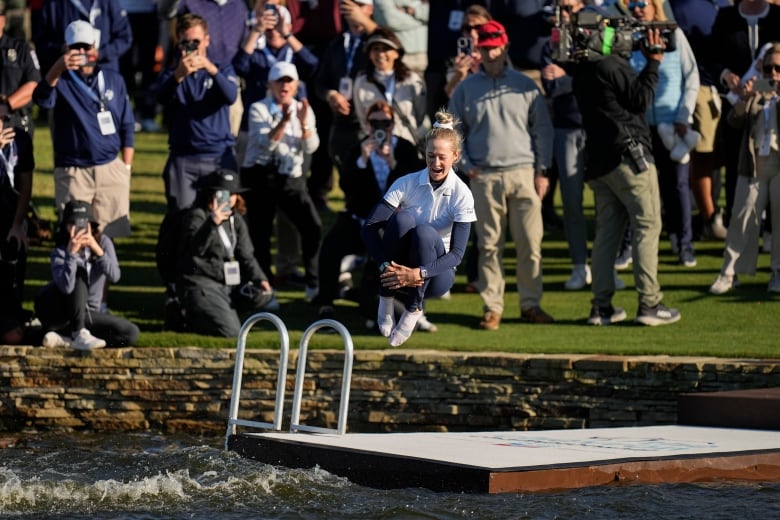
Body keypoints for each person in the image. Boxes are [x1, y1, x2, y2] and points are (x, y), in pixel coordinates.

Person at [448, 20, 555, 331]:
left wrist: (542, 171)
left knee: (530, 244)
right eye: (485, 46)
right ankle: (492, 307)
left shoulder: (524, 85)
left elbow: (542, 131)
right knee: (489, 246)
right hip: (485, 176)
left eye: (495, 45)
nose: (490, 51)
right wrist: (465, 166)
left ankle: (530, 305)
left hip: (524, 173)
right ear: (478, 49)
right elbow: (452, 132)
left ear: (505, 46)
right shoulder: (466, 89)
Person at [572, 24, 681, 326]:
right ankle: (650, 303)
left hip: (599, 162)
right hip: (628, 157)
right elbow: (641, 99)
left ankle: (602, 307)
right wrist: (654, 61)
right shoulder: (610, 65)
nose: (626, 38)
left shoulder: (582, 70)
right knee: (647, 225)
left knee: (608, 233)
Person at [361, 110, 476, 346]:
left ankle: (414, 308)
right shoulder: (407, 182)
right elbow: (370, 226)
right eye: (431, 156)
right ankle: (386, 295)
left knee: (425, 232)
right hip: (399, 268)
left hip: (437, 275)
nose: (435, 163)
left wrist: (418, 273)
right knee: (402, 220)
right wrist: (384, 265)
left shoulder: (462, 194)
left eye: (442, 157)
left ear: (455, 156)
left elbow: (457, 254)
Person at [315, 100, 423, 321]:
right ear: (367, 125)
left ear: (393, 125)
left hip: (394, 222)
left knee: (386, 252)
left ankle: (381, 300)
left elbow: (415, 184)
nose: (381, 128)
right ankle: (326, 300)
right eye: (375, 123)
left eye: (386, 122)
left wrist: (392, 163)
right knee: (331, 246)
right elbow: (346, 185)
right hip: (361, 219)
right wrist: (363, 161)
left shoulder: (404, 149)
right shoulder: (357, 149)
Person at [33, 20, 135, 239]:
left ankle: (104, 274)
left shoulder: (114, 80)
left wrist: (126, 167)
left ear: (95, 49)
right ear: (64, 49)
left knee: (107, 241)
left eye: (86, 47)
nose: (80, 52)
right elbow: (41, 100)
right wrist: (57, 68)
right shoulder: (59, 81)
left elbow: (127, 125)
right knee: (75, 238)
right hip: (74, 171)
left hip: (110, 167)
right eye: (74, 47)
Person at [625, 0, 700, 267]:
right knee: (637, 189)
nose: (636, 8)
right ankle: (630, 246)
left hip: (673, 125)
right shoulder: (628, 37)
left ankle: (684, 244)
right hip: (639, 126)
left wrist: (684, 115)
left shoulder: (675, 33)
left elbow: (691, 77)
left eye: (641, 3)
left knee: (677, 187)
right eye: (631, 4)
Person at [241, 61, 321, 301]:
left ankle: (314, 284)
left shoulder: (304, 109)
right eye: (279, 81)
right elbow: (266, 143)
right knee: (260, 234)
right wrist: (285, 121)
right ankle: (265, 288)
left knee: (312, 228)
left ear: (296, 85)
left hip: (290, 178)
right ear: (270, 84)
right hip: (260, 176)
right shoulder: (258, 108)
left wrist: (304, 124)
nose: (284, 86)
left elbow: (311, 146)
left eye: (288, 81)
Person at [710, 43, 780, 295]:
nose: (773, 73)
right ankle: (729, 273)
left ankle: (777, 273)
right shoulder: (756, 92)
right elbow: (733, 121)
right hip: (753, 163)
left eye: (778, 68)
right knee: (742, 217)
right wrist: (744, 99)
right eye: (768, 67)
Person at [155, 13, 238, 212]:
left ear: (207, 40)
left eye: (196, 41)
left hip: (218, 156)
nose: (191, 47)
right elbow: (161, 99)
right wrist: (178, 75)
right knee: (183, 219)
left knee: (222, 216)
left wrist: (210, 69)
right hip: (184, 157)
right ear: (178, 44)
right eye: (186, 42)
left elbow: (231, 96)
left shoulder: (222, 68)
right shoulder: (171, 74)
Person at [177, 168, 273, 337]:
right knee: (231, 332)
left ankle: (220, 312)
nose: (228, 200)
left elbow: (246, 255)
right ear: (211, 195)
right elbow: (195, 249)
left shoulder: (236, 220)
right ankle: (187, 316)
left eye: (232, 195)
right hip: (202, 283)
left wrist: (261, 278)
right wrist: (212, 223)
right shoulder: (198, 216)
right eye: (222, 194)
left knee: (262, 295)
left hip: (227, 282)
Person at [36, 200, 140, 350]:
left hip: (89, 314)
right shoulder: (60, 251)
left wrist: (97, 250)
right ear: (65, 226)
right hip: (62, 313)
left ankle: (67, 340)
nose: (77, 228)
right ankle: (77, 333)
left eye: (82, 223)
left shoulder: (103, 242)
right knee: (79, 271)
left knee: (130, 333)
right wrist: (71, 255)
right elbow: (66, 288)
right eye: (72, 224)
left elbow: (115, 276)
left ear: (91, 225)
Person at [353, 27, 427, 149]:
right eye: (375, 49)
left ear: (397, 53)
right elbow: (362, 117)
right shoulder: (362, 81)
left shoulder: (413, 80)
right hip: (376, 146)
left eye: (386, 49)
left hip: (407, 144)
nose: (381, 54)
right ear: (369, 54)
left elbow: (420, 114)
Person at [0, 112, 33, 345]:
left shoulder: (19, 139)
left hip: (9, 221)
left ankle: (13, 317)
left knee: (12, 336)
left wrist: (18, 225)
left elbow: (25, 184)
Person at [35, 0, 132, 74]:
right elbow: (41, 42)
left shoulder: (108, 2)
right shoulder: (53, 4)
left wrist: (100, 53)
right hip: (68, 77)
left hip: (106, 71)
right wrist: (61, 50)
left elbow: (125, 38)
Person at [0, 1, 42, 137]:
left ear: (3, 19)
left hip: (16, 124)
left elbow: (33, 84)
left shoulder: (22, 50)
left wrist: (4, 107)